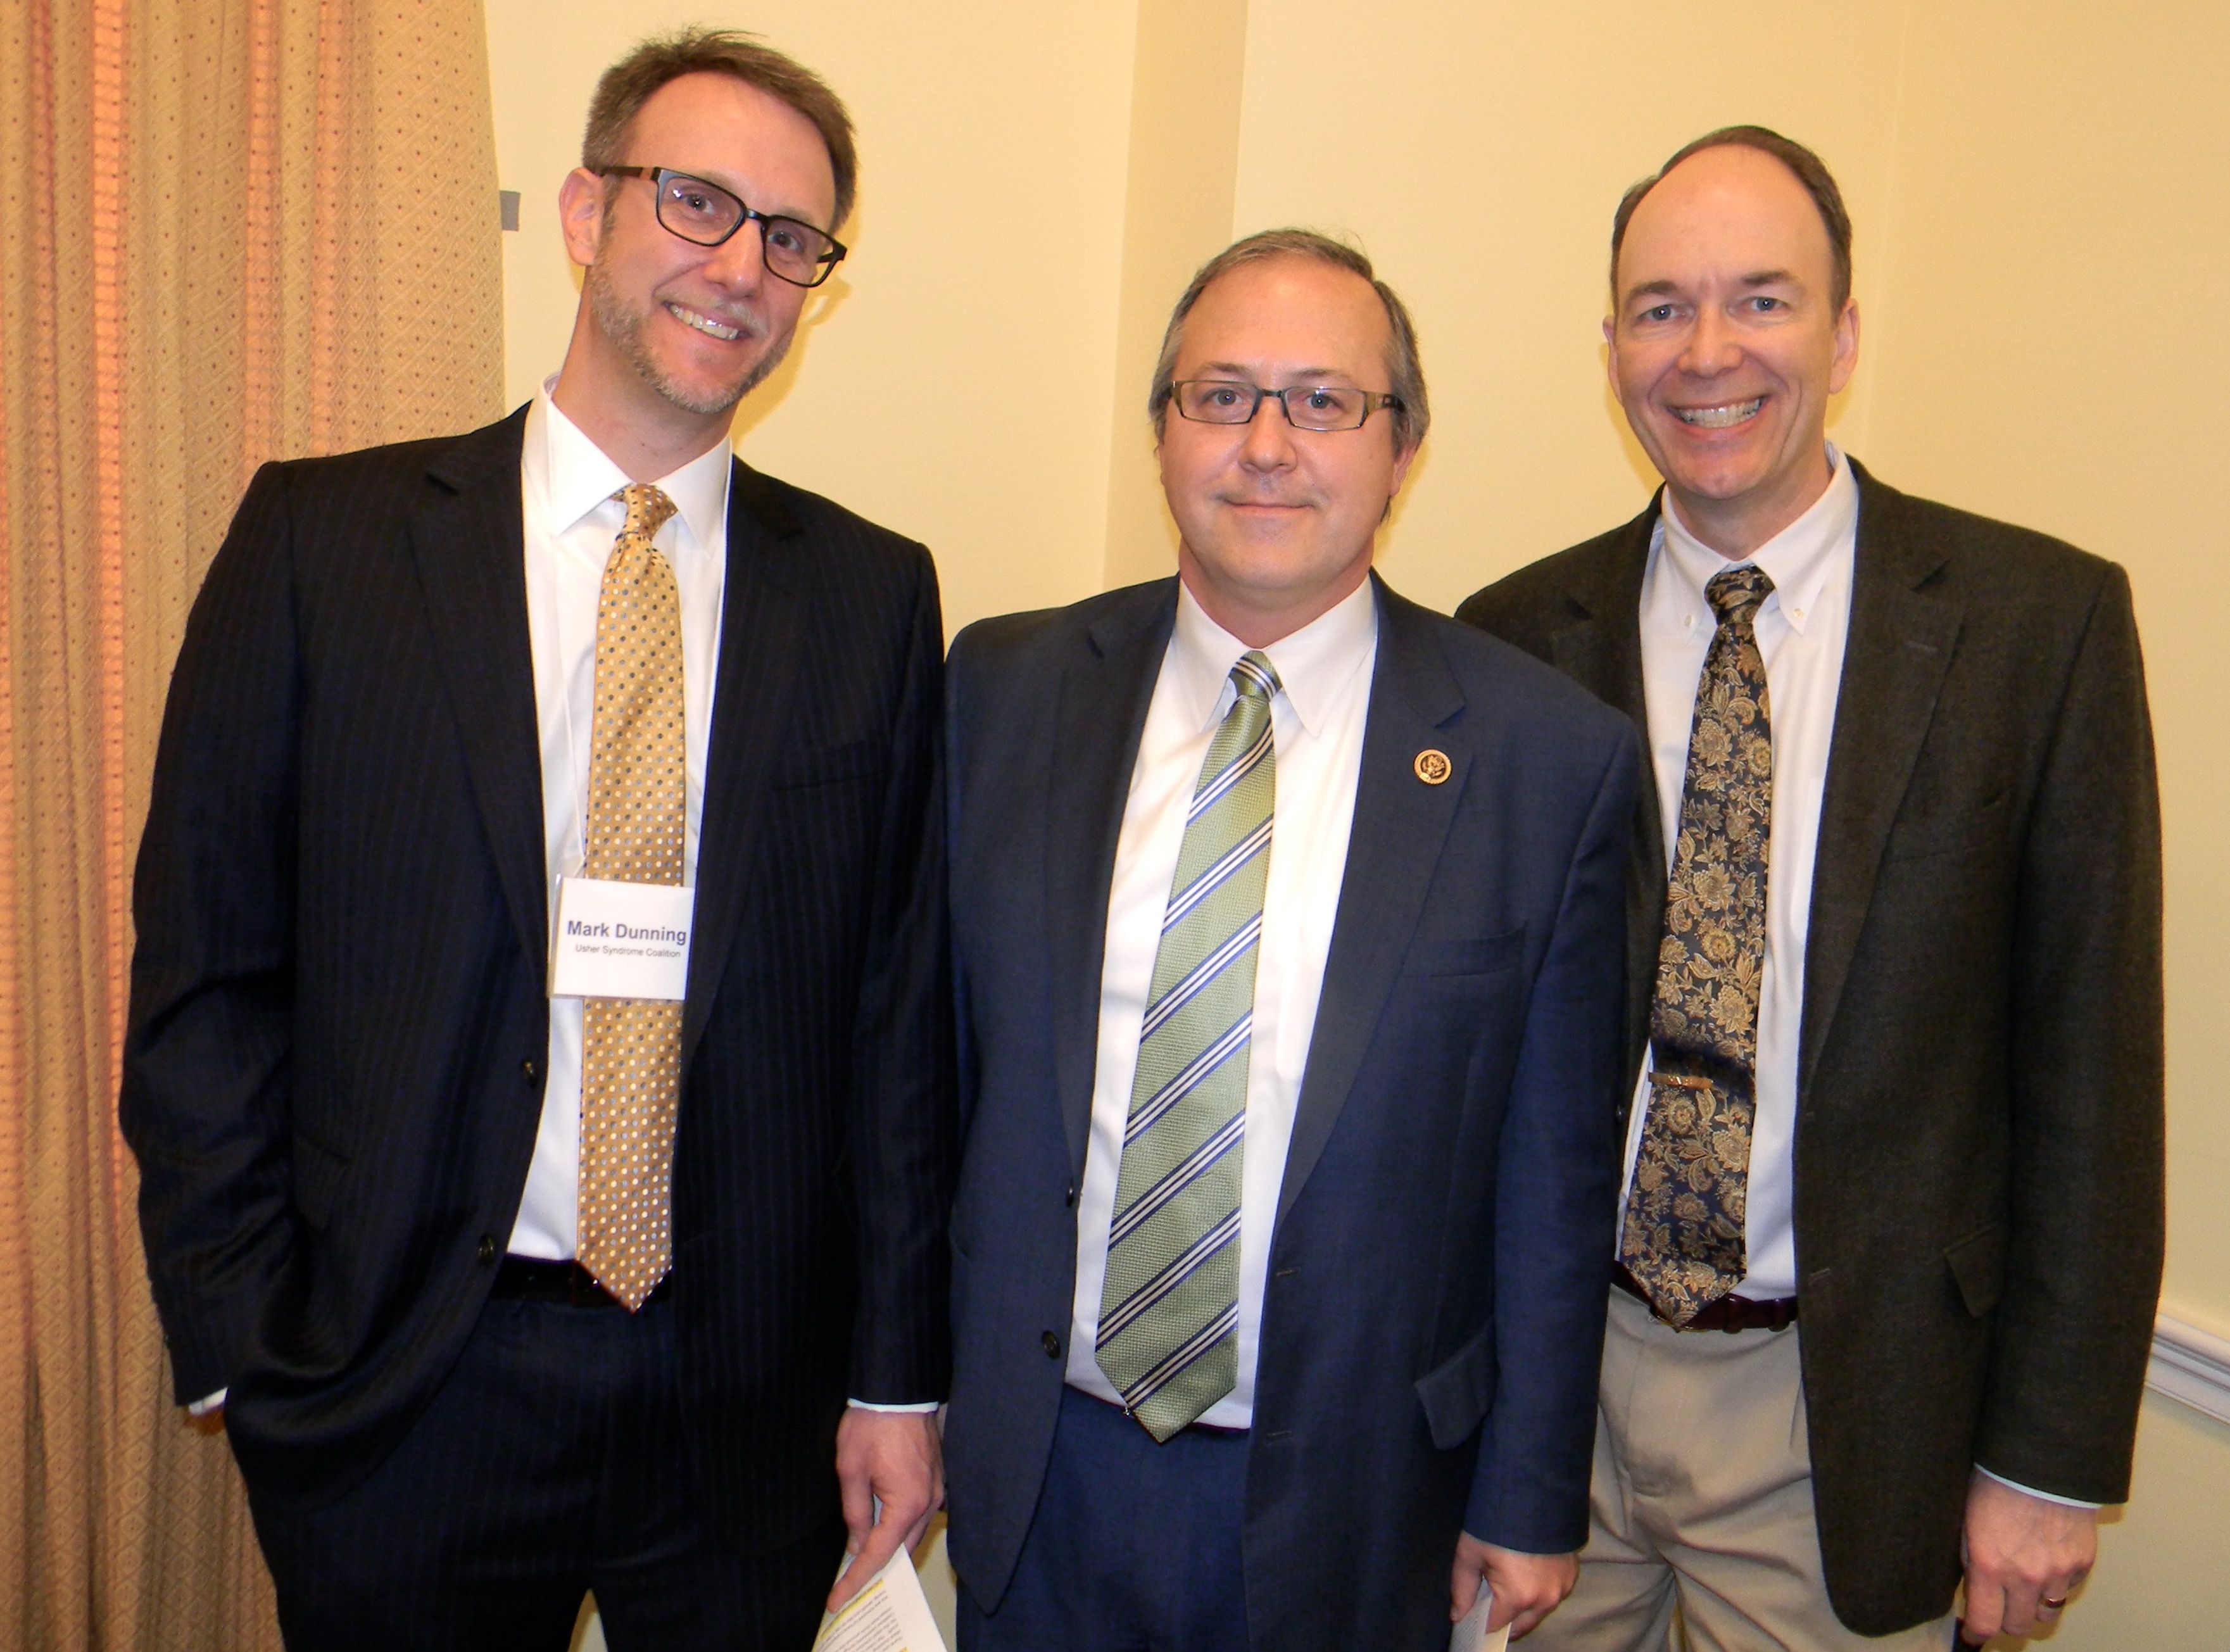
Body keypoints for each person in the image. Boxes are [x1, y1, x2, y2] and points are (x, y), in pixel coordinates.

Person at [120, 28, 951, 1649]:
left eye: (793, 239)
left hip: (746, 1405)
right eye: (697, 201)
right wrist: (245, 1341)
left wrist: (894, 1375)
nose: (742, 268)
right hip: (407, 1379)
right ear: (585, 213)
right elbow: (210, 971)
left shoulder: (871, 596)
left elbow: (895, 1022)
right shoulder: (325, 542)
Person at [1459, 126, 2163, 1649]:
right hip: (1551, 1406)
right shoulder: (1516, 638)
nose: (1707, 351)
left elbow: (2095, 1084)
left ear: (1844, 335)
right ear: (1611, 350)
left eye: (1762, 300)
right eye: (1659, 308)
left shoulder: (2035, 628)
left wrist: (2045, 1462)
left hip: (1840, 1424)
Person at [940, 228, 1641, 1651]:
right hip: (1038, 1463)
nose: (1269, 444)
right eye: (1222, 395)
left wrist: (1528, 1495)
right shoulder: (1005, 690)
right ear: (1163, 435)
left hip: (1364, 1492)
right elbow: (917, 1085)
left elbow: (1555, 1177)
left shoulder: (1546, 760)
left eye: (1325, 401)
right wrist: (890, 1388)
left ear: (1402, 448)